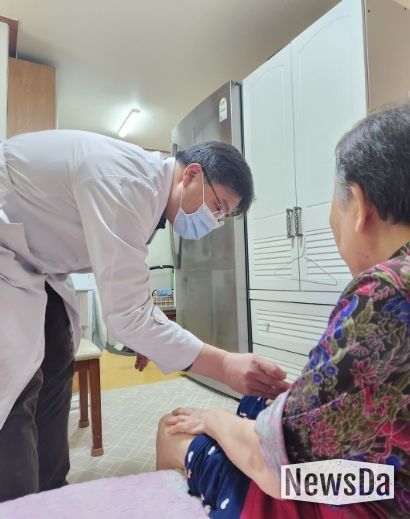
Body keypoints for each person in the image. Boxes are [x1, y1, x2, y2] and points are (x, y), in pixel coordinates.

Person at [0, 131, 290, 503]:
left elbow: (129, 292)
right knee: (15, 380)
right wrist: (224, 365)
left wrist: (147, 335)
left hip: (35, 263)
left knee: (57, 354)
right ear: (192, 174)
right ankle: (18, 503)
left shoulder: (148, 198)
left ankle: (52, 489)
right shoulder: (128, 183)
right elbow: (127, 315)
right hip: (9, 249)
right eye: (218, 207)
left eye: (223, 217)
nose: (215, 221)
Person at [156, 101, 410, 518]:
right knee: (258, 403)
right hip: (389, 471)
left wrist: (213, 418)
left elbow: (278, 465)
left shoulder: (384, 292)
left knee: (173, 430)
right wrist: (305, 397)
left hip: (371, 491)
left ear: (358, 205)